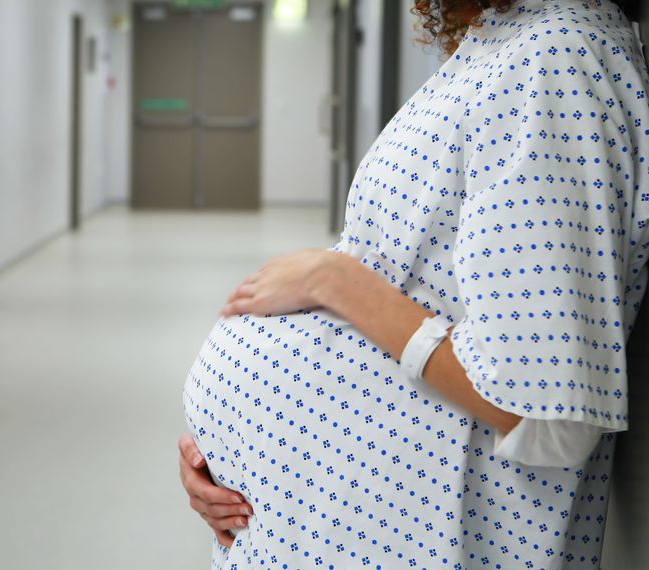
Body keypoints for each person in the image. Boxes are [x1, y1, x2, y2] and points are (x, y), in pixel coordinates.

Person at [177, 0, 647, 568]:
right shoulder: (497, 44)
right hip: (320, 521)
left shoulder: (558, 59)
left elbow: (543, 414)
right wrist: (227, 453)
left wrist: (337, 281)